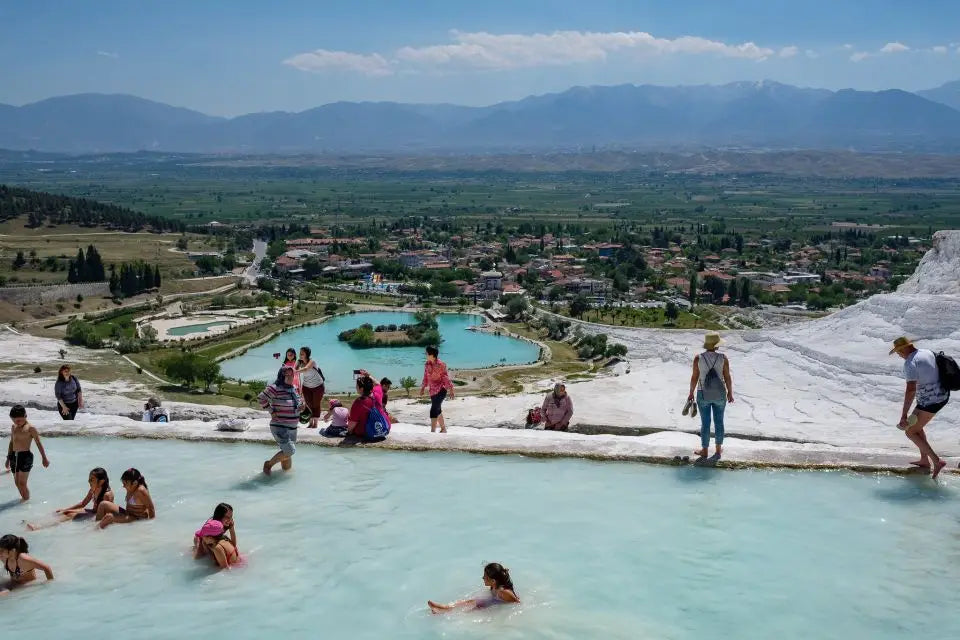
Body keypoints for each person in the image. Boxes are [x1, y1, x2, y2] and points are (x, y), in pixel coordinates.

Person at [890, 337, 950, 479]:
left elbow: (911, 390)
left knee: (910, 431)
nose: (898, 355)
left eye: (898, 351)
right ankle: (924, 460)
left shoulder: (910, 363)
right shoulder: (926, 352)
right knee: (917, 427)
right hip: (938, 395)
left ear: (904, 349)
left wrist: (903, 415)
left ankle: (937, 461)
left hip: (932, 401)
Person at [687, 332, 734, 461]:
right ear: (716, 345)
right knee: (719, 421)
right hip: (720, 394)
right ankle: (718, 450)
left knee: (705, 422)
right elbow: (727, 377)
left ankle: (705, 450)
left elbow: (694, 377)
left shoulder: (698, 358)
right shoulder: (723, 358)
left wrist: (691, 393)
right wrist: (730, 392)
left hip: (703, 393)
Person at [27, 468, 113, 530]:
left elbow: (106, 515)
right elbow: (83, 503)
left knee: (69, 515)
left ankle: (40, 526)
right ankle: (36, 521)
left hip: (95, 516)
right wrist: (65, 509)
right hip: (92, 512)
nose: (88, 481)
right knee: (64, 512)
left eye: (91, 479)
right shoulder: (93, 489)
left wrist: (93, 526)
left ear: (101, 481)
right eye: (89, 478)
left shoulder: (106, 495)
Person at [259, 367, 304, 475]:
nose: (290, 377)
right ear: (281, 376)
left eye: (291, 374)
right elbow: (261, 398)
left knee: (287, 453)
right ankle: (268, 464)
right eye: (287, 374)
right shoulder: (275, 388)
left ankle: (285, 477)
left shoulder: (294, 388)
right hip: (280, 425)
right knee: (289, 451)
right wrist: (271, 411)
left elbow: (296, 405)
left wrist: (301, 407)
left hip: (293, 427)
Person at [427, 562, 520, 614]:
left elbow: (517, 603)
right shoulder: (494, 586)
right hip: (494, 602)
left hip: (496, 606)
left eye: (485, 577)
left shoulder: (503, 592)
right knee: (471, 602)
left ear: (493, 581)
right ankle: (445, 608)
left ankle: (443, 610)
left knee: (470, 610)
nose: (482, 578)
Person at [5, 405, 50, 501]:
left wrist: (44, 458)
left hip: (25, 457)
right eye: (14, 420)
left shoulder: (30, 428)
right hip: (14, 456)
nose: (17, 422)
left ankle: (26, 501)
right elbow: (12, 442)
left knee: (22, 483)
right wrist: (8, 458)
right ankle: (24, 500)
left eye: (19, 420)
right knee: (17, 483)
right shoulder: (13, 427)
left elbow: (38, 443)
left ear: (25, 416)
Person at [193, 503, 239, 569]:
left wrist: (232, 528)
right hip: (201, 537)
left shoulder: (228, 523)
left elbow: (233, 545)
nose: (230, 519)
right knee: (200, 556)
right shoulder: (212, 527)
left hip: (210, 537)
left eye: (231, 516)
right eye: (227, 517)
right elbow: (203, 537)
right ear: (219, 516)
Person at [420, 345, 454, 433]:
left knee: (433, 409)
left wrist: (451, 389)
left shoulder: (441, 364)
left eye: (426, 353)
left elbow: (445, 377)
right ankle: (443, 429)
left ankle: (432, 432)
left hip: (441, 390)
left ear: (432, 355)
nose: (425, 354)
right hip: (432, 391)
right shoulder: (427, 364)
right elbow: (425, 377)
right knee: (437, 409)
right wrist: (423, 387)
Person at [347, 375, 390, 441]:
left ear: (361, 389)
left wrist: (349, 432)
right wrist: (368, 375)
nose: (356, 387)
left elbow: (351, 426)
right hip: (385, 427)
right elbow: (378, 384)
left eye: (357, 386)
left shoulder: (358, 402)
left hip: (367, 432)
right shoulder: (378, 393)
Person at [295, 346, 325, 429]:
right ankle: (310, 423)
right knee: (308, 405)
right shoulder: (299, 362)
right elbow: (294, 368)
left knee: (316, 404)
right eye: (300, 353)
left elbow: (306, 369)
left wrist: (295, 371)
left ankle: (315, 424)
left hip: (318, 386)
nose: (300, 355)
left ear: (307, 354)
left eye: (302, 354)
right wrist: (292, 369)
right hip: (306, 386)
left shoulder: (312, 361)